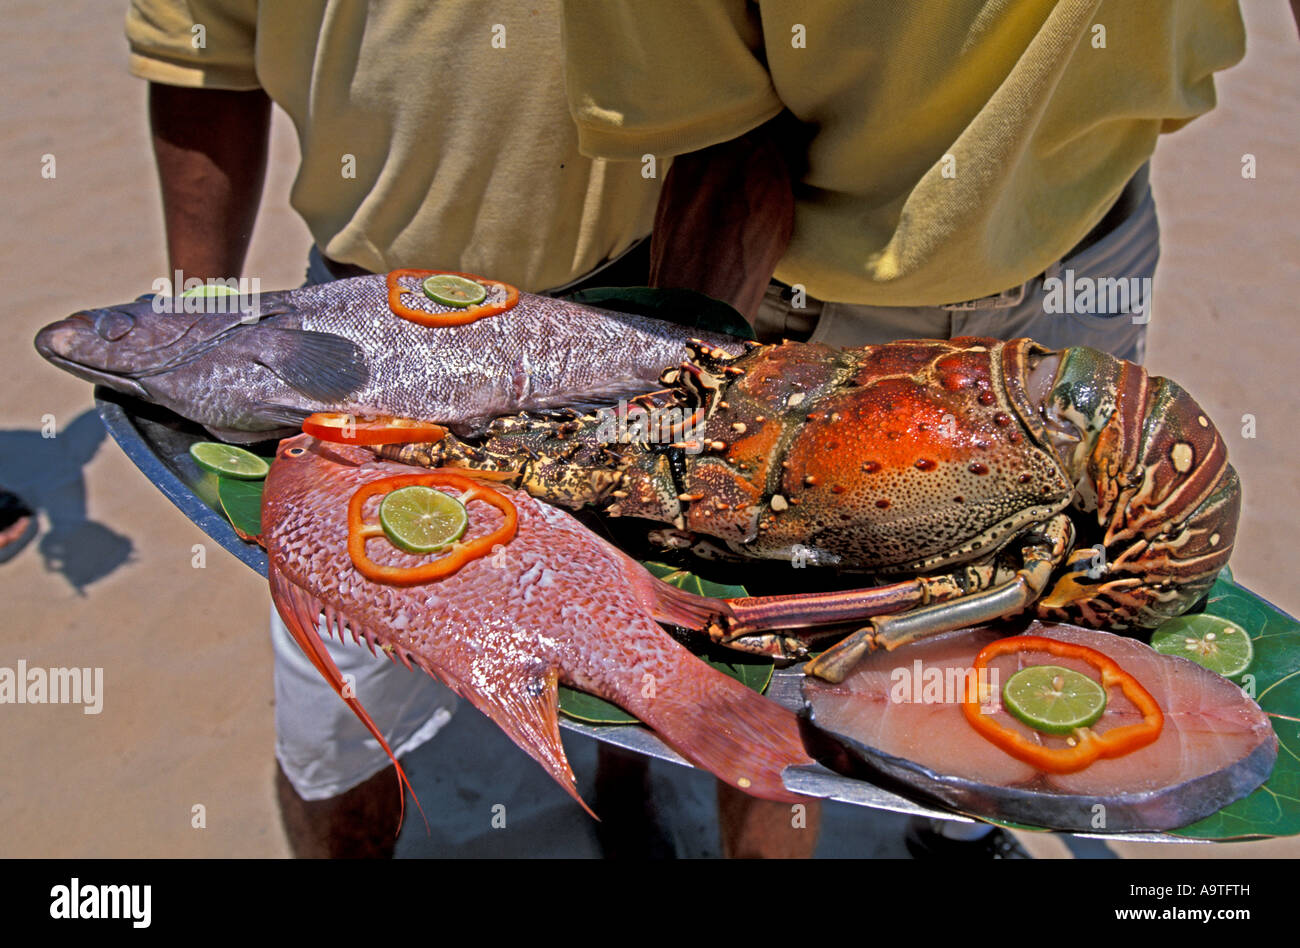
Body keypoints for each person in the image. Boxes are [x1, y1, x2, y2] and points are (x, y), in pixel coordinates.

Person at [560, 0, 1248, 856]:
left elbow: (714, 135)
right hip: (927, 280)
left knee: (787, 609)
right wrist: (698, 355)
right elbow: (721, 130)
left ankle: (951, 830)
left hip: (1086, 257)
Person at [126, 0, 661, 857]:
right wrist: (201, 322)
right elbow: (205, 57)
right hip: (359, 332)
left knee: (628, 637)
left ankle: (622, 786)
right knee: (332, 734)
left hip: (631, 320)